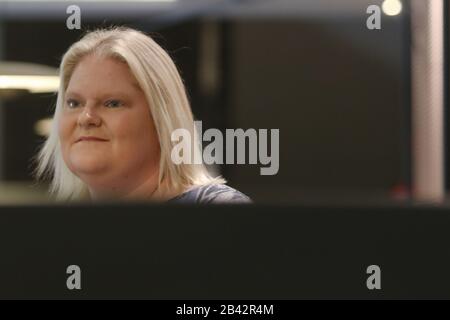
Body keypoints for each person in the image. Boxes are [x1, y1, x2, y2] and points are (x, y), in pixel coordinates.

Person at [35, 26, 251, 204]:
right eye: (74, 103)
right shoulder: (60, 229)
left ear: (161, 118)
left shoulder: (219, 211)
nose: (86, 117)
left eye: (112, 103)